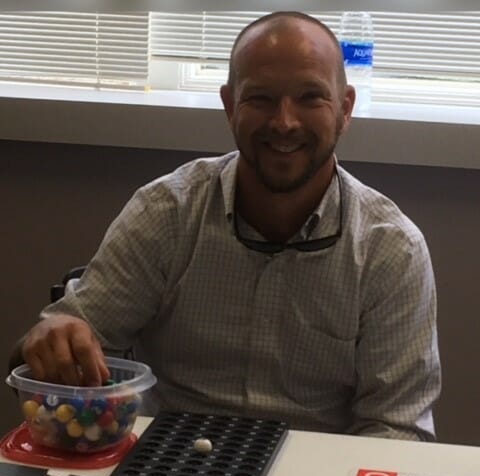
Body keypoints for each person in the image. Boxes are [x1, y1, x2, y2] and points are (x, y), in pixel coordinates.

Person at [10, 11, 441, 441]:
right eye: (261, 99)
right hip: (163, 470)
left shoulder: (390, 250)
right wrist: (50, 343)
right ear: (230, 105)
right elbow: (47, 362)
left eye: (310, 97)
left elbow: (395, 428)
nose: (284, 122)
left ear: (345, 109)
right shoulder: (166, 213)